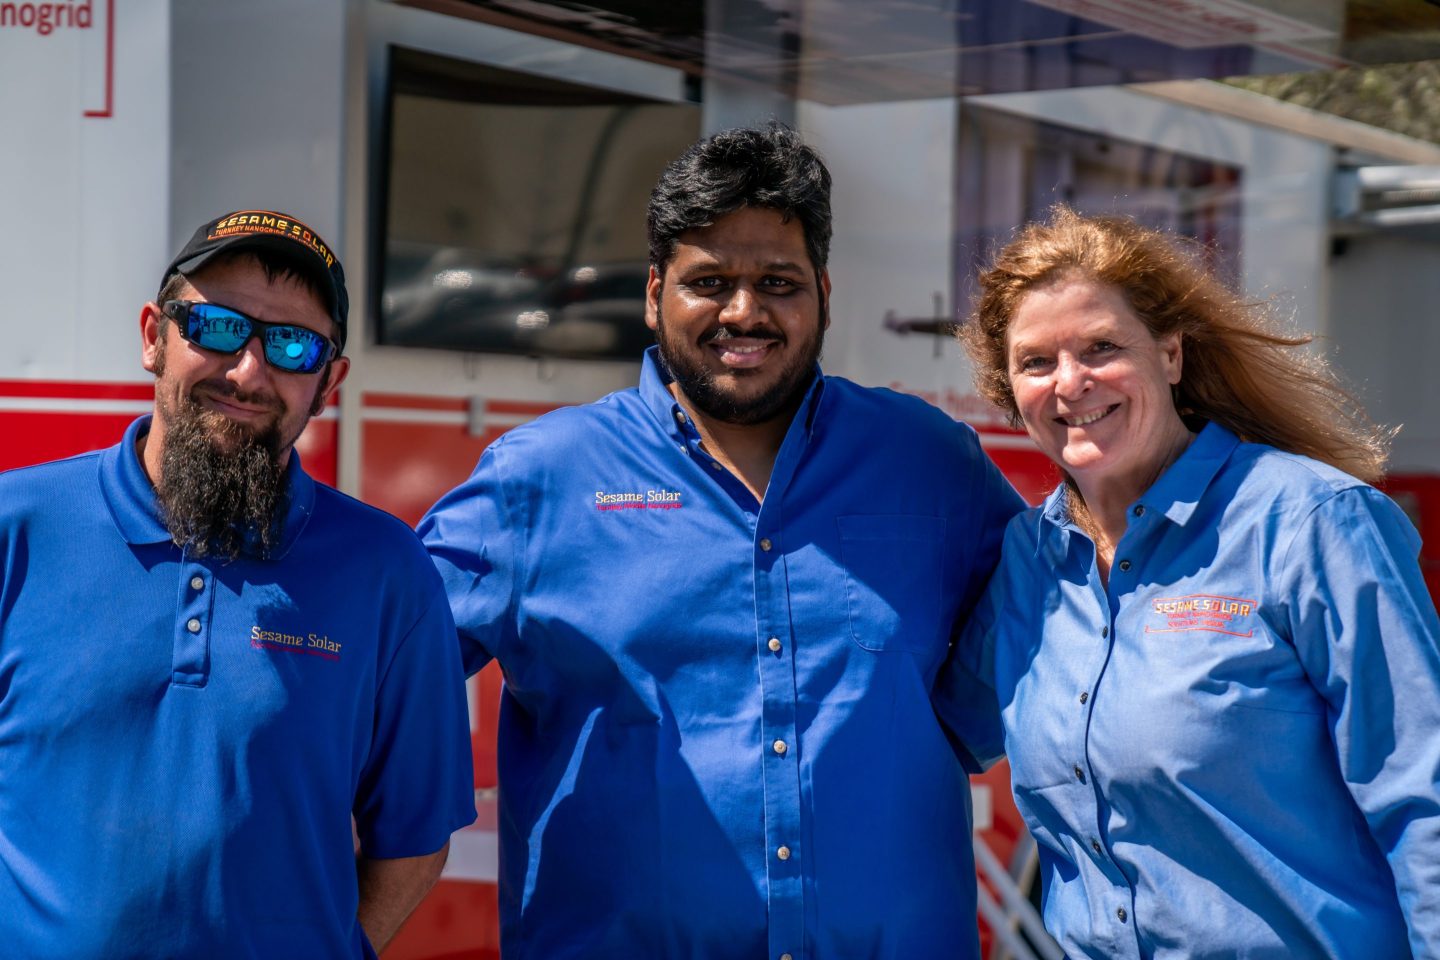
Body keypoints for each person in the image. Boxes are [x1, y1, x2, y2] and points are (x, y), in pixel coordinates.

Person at [420, 125, 1025, 958]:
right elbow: (376, 670)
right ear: (653, 294)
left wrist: (950, 730)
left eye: (777, 282)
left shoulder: (928, 460)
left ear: (823, 291)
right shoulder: (542, 476)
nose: (744, 312)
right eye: (709, 282)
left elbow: (1051, 603)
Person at [947, 205, 1440, 958]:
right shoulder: (1028, 559)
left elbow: (1424, 793)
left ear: (1170, 354)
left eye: (1102, 348)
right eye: (1037, 362)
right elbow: (932, 736)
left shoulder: (1310, 523)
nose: (1071, 383)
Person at [0, 210, 476, 958]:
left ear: (329, 382)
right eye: (217, 327)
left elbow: (414, 841)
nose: (250, 372)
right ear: (155, 336)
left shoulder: (388, 573)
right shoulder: (14, 530)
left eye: (292, 345)